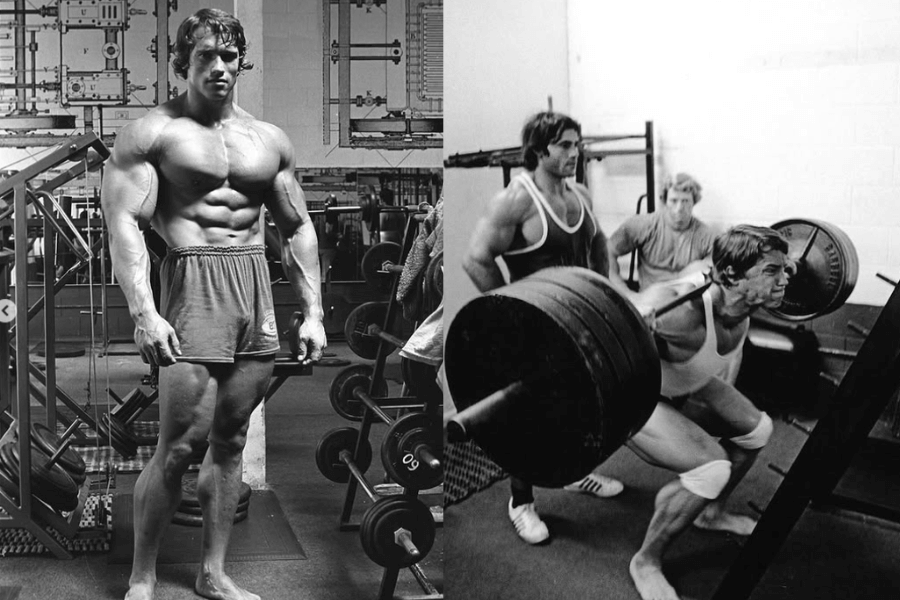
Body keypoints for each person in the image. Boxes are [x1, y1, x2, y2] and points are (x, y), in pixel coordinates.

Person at [100, 9, 325, 600]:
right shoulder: (152, 134)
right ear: (183, 62)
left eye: (229, 57)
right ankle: (143, 578)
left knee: (229, 443)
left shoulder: (267, 139)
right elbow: (124, 223)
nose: (220, 67)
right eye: (206, 56)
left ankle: (214, 574)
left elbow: (297, 227)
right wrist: (144, 312)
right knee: (177, 447)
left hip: (254, 284)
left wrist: (315, 311)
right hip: (192, 281)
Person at [462, 111, 625, 545]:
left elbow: (598, 243)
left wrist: (603, 294)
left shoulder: (581, 195)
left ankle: (576, 473)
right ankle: (521, 501)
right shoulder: (515, 200)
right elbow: (475, 258)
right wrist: (510, 311)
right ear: (539, 150)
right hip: (533, 327)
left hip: (577, 322)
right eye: (566, 145)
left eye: (577, 144)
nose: (576, 152)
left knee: (578, 401)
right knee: (526, 414)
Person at [616, 223, 789, 600]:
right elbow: (608, 331)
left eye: (785, 269)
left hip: (683, 382)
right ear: (730, 275)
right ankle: (646, 561)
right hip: (637, 398)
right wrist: (633, 323)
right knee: (711, 469)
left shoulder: (743, 306)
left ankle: (711, 512)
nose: (784, 280)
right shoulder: (679, 311)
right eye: (772, 271)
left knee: (757, 430)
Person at [607, 172, 715, 293]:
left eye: (685, 201)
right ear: (664, 201)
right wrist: (627, 295)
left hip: (686, 303)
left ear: (693, 202)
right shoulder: (644, 225)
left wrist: (702, 265)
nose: (679, 208)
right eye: (674, 201)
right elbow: (606, 252)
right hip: (650, 302)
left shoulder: (706, 235)